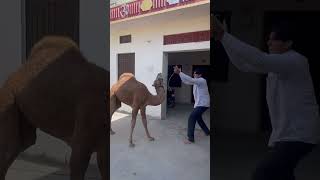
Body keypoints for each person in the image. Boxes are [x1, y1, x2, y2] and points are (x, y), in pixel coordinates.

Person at [213, 16, 320, 180]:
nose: (268, 43)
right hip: (288, 134)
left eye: (273, 40)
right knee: (283, 174)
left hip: (300, 135)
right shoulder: (277, 65)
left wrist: (224, 36)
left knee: (262, 174)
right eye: (268, 39)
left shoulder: (295, 61)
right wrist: (222, 39)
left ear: (288, 43)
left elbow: (258, 58)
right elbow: (243, 65)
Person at [173, 66, 210, 144]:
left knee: (192, 117)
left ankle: (190, 139)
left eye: (195, 73)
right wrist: (179, 74)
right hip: (200, 104)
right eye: (194, 73)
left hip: (203, 104)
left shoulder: (202, 80)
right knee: (198, 118)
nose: (194, 74)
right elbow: (186, 81)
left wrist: (180, 72)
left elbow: (190, 79)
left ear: (200, 75)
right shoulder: (196, 81)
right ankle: (207, 131)